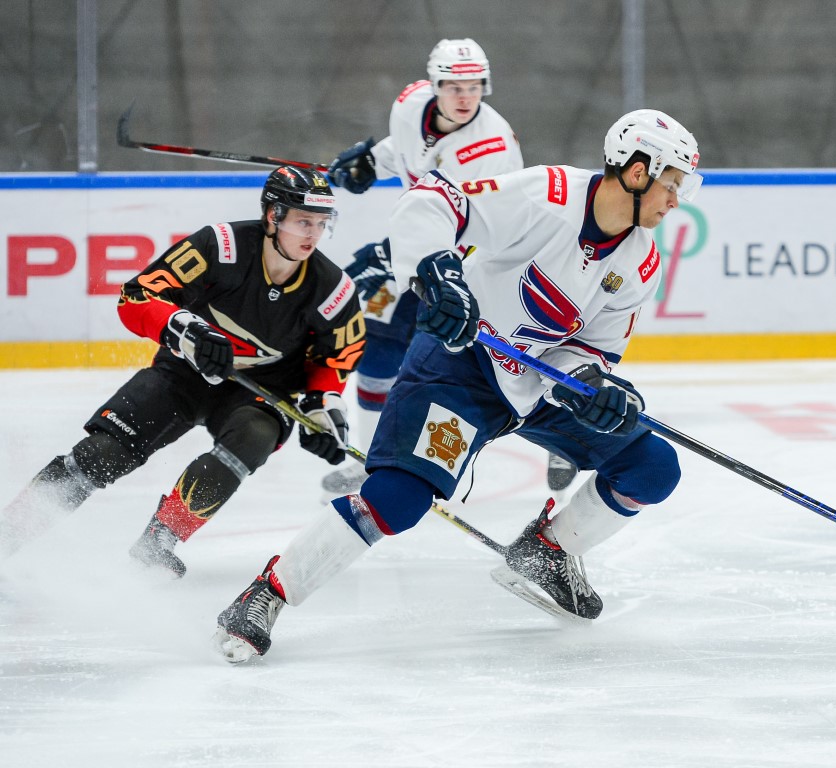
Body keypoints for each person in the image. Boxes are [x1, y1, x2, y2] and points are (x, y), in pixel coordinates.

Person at [213, 109, 703, 663]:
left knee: (652, 467)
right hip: (459, 363)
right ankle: (266, 595)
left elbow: (592, 348)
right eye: (670, 184)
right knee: (396, 500)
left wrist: (590, 382)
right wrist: (437, 273)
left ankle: (549, 552)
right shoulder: (548, 194)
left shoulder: (640, 263)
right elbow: (434, 202)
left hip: (535, 380)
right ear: (636, 172)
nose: (674, 200)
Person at [0, 166, 365, 577]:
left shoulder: (333, 289)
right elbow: (137, 296)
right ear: (272, 217)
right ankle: (8, 535)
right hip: (185, 372)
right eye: (302, 222)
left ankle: (159, 542)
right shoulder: (221, 246)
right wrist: (184, 328)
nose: (312, 235)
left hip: (261, 390)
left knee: (253, 437)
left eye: (320, 224)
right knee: (100, 454)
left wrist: (320, 408)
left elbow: (334, 359)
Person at [321, 38, 577, 496]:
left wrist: (392, 255)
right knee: (377, 345)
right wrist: (368, 160)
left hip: (479, 264)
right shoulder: (408, 104)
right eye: (454, 86)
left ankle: (565, 435)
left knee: (493, 370)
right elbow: (405, 148)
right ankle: (368, 460)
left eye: (475, 86)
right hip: (423, 255)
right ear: (434, 85)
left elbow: (483, 231)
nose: (465, 97)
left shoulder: (492, 147)